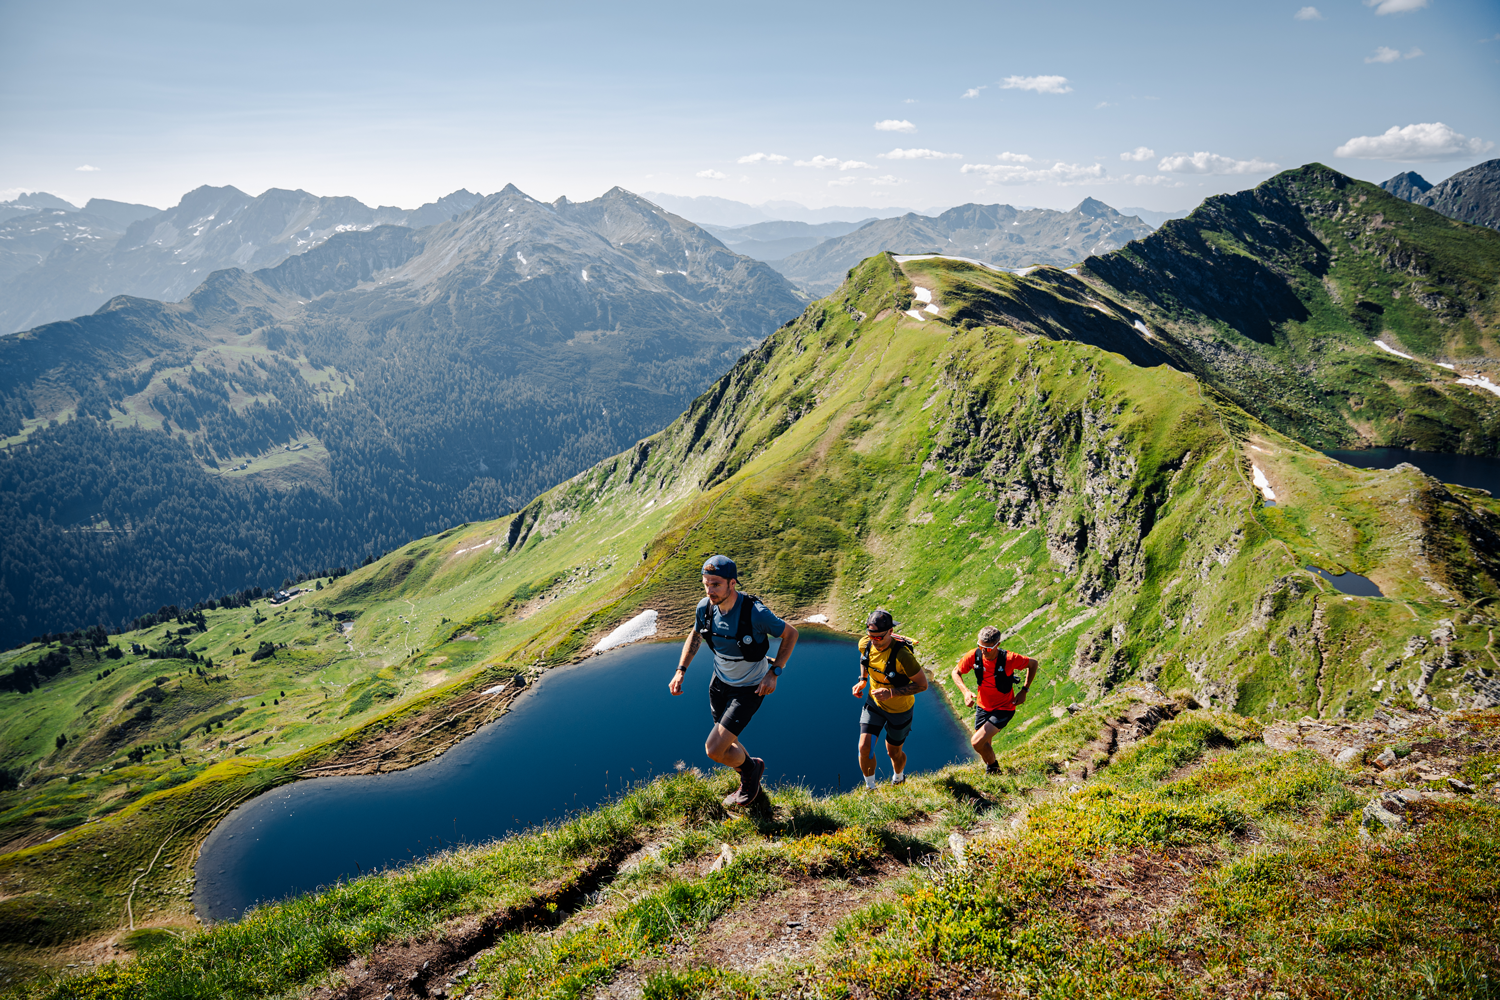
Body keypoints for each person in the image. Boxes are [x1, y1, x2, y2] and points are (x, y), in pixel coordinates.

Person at [669, 555, 799, 807]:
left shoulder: (755, 613)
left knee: (715, 749)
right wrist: (681, 670)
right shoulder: (704, 608)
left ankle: (751, 770)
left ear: (732, 583)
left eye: (715, 584)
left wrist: (774, 672)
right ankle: (751, 778)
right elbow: (695, 635)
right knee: (730, 741)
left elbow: (791, 634)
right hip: (719, 685)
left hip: (750, 688)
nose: (710, 590)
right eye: (705, 584)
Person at [851, 608, 928, 789]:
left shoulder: (903, 656)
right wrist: (863, 680)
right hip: (875, 704)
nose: (874, 641)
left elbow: (922, 684)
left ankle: (899, 777)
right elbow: (864, 659)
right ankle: (871, 789)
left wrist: (891, 693)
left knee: (893, 752)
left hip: (899, 710)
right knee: (864, 748)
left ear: (891, 632)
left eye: (879, 637)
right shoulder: (866, 643)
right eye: (871, 636)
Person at [950, 625, 1038, 775]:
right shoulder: (974, 655)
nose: (984, 651)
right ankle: (992, 772)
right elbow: (956, 672)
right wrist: (965, 692)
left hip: (1004, 708)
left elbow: (1033, 663)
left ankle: (994, 769)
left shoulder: (1010, 658)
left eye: (988, 648)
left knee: (976, 742)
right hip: (983, 706)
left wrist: (1024, 690)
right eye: (980, 646)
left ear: (998, 645)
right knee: (984, 746)